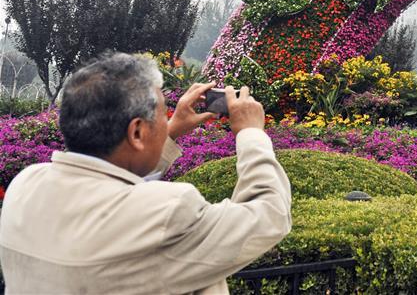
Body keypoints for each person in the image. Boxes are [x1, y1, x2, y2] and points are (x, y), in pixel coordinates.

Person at [0, 52, 292, 294]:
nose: (167, 121)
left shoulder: (25, 186)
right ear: (137, 131)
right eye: (163, 115)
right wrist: (252, 133)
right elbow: (269, 213)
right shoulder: (169, 211)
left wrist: (172, 130)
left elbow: (113, 185)